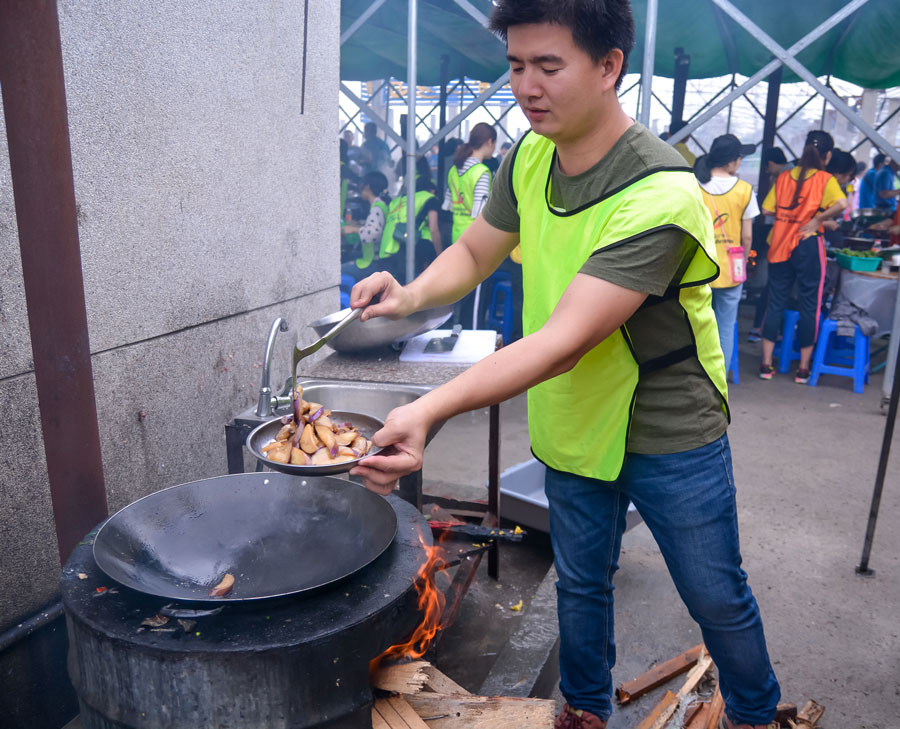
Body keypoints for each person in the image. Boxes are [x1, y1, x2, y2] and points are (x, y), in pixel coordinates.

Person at [349, 2, 781, 728]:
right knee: (581, 582)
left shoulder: (661, 192)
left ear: (609, 66)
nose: (526, 85)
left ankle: (756, 711)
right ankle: (584, 711)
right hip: (574, 411)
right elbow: (477, 250)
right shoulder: (529, 155)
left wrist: (428, 408)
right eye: (517, 65)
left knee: (714, 592)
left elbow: (564, 339)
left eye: (549, 66)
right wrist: (410, 292)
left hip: (668, 423)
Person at [759, 130, 847, 383]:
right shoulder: (824, 179)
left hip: (779, 244)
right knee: (810, 304)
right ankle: (803, 369)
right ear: (827, 155)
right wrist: (817, 219)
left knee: (775, 302)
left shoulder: (784, 176)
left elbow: (767, 208)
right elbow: (842, 205)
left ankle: (766, 365)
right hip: (808, 245)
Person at [694, 134, 759, 370]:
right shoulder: (745, 190)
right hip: (732, 269)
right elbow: (748, 236)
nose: (740, 162)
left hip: (698, 268)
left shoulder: (695, 184)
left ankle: (695, 375)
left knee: (697, 326)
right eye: (740, 157)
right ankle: (719, 381)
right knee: (725, 327)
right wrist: (743, 260)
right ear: (731, 161)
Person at [444, 122, 498, 327]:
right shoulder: (482, 172)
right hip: (476, 245)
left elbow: (448, 206)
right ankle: (472, 354)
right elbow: (482, 215)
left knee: (457, 298)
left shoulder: (453, 170)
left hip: (456, 242)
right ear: (489, 142)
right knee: (474, 307)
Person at [746, 147, 789, 343]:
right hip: (795, 242)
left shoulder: (785, 177)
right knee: (778, 290)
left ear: (770, 164)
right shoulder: (792, 175)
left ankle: (761, 330)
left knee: (773, 288)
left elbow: (767, 209)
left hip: (780, 240)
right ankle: (776, 332)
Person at [340, 171, 391, 282]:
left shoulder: (377, 207)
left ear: (367, 187)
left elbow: (374, 234)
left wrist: (354, 229)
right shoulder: (381, 205)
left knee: (338, 270)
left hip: (371, 263)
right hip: (374, 261)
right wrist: (360, 225)